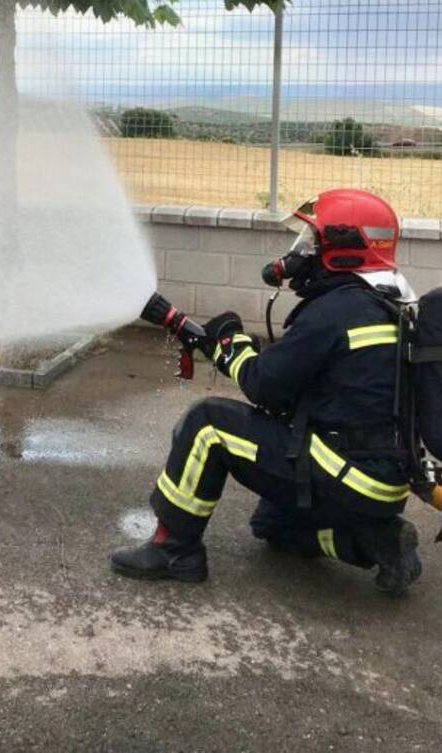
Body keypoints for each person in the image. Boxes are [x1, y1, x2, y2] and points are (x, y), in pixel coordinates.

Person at [110, 188, 422, 595]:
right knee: (270, 525)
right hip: (380, 482)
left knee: (207, 424)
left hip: (341, 472)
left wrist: (232, 348)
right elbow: (318, 382)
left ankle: (173, 549)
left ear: (343, 248)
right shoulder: (392, 303)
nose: (298, 254)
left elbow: (264, 386)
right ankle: (370, 542)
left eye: (311, 242)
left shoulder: (334, 310)